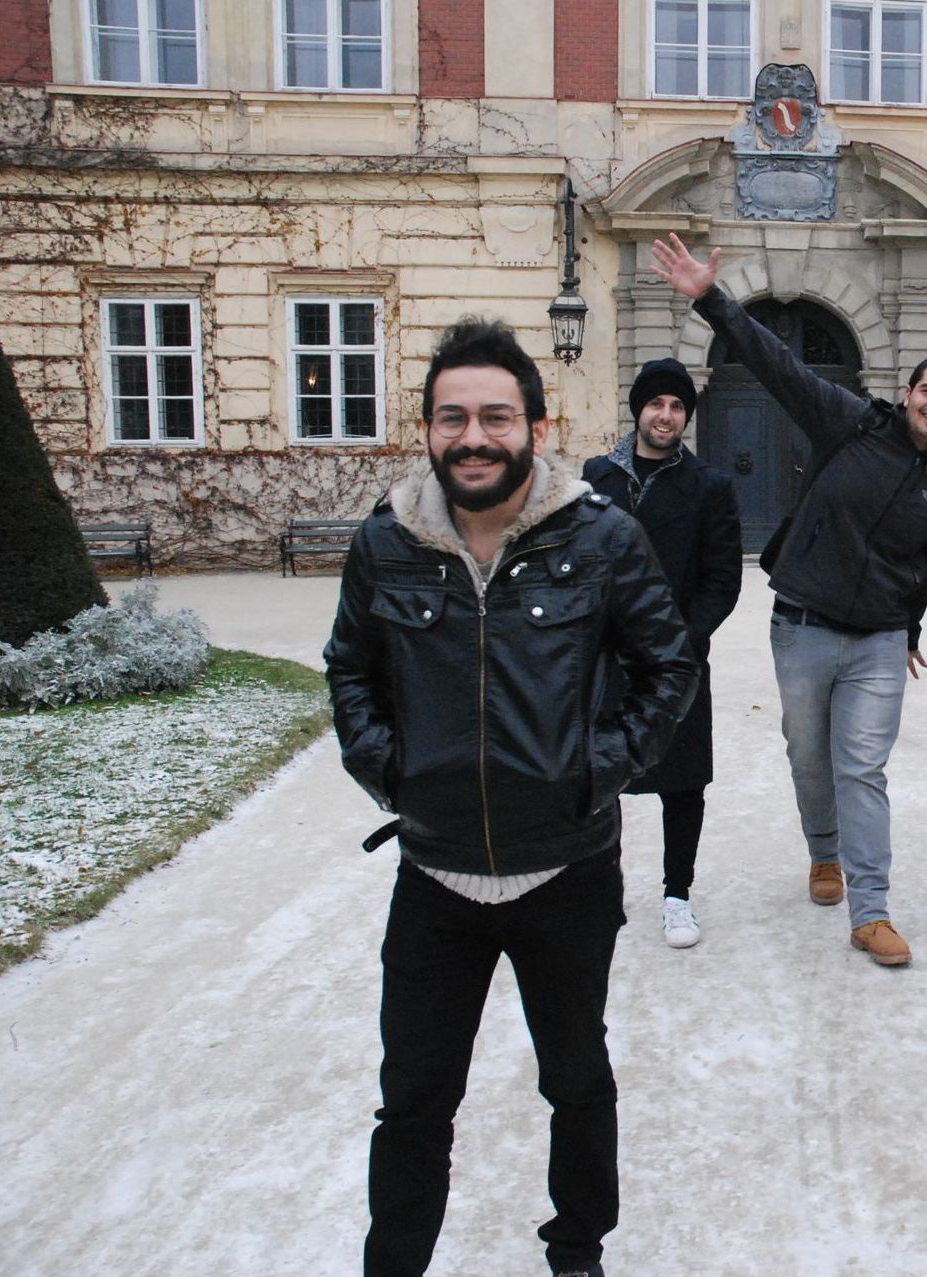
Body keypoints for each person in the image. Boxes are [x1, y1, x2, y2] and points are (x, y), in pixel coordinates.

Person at [325, 318, 700, 1277]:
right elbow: (350, 668)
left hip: (566, 870)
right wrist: (392, 769)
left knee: (576, 1079)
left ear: (537, 427)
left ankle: (576, 1250)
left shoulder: (601, 536)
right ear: (428, 429)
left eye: (496, 416)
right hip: (435, 873)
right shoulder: (387, 543)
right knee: (413, 1100)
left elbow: (667, 663)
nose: (474, 436)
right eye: (452, 417)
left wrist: (596, 769)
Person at [649, 232, 927, 967]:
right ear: (909, 394)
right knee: (809, 757)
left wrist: (912, 627)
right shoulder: (852, 423)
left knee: (863, 768)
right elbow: (778, 363)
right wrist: (711, 299)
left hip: (879, 638)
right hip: (803, 624)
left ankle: (872, 910)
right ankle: (823, 850)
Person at [583, 358, 743, 949]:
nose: (666, 415)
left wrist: (683, 641)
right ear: (639, 410)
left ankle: (678, 895)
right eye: (656, 403)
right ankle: (603, 886)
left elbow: (722, 579)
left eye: (677, 406)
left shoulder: (709, 485)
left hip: (677, 658)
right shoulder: (598, 478)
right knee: (604, 776)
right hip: (607, 658)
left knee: (682, 781)